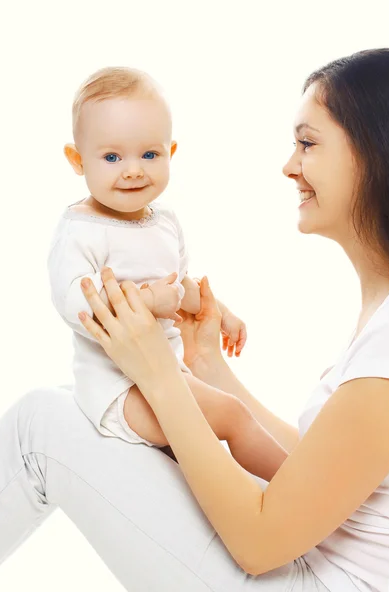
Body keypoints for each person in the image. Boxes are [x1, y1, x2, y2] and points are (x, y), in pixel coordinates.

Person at [0, 47, 389, 592]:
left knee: (40, 427)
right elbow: (317, 476)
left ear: (378, 154)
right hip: (315, 568)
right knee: (58, 409)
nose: (288, 166)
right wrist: (206, 367)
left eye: (307, 144)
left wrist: (160, 373)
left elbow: (260, 542)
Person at [48, 66, 287, 480]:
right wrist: (146, 301)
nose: (134, 169)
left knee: (212, 455)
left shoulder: (165, 222)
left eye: (149, 154)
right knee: (232, 415)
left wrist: (219, 311)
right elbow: (78, 307)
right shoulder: (81, 230)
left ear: (169, 153)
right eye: (111, 157)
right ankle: (306, 496)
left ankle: (283, 503)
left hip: (171, 374)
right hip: (119, 388)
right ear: (76, 159)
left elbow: (178, 289)